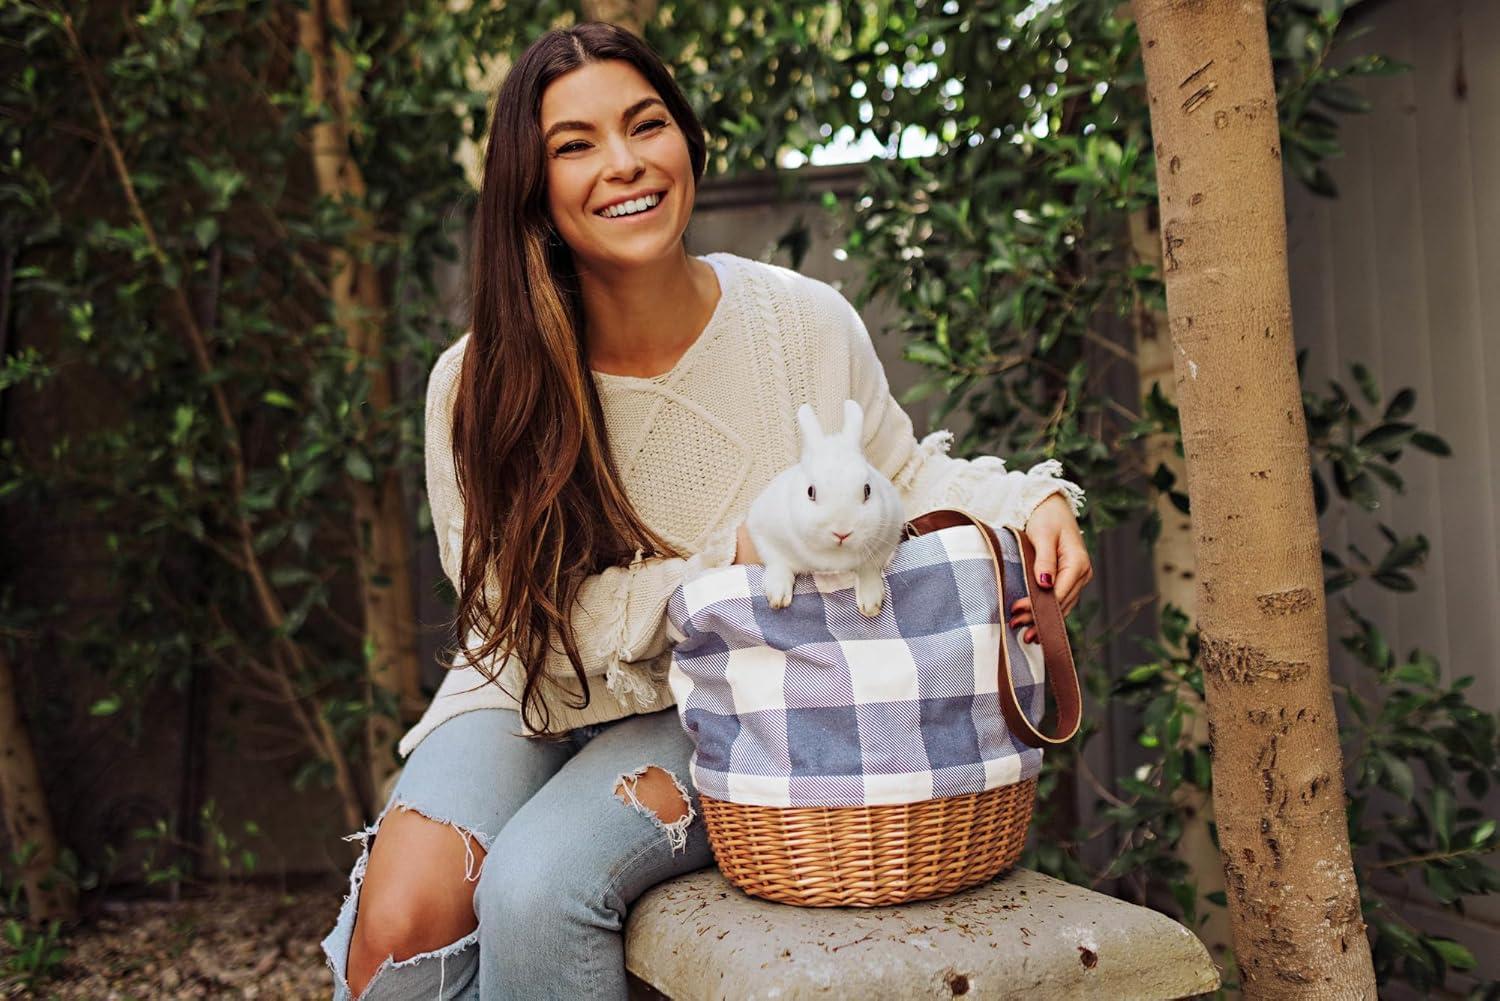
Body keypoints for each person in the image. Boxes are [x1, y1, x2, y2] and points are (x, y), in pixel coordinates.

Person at [320, 20, 1093, 1001]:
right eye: (575, 144)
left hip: (730, 682)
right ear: (532, 187)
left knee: (535, 889)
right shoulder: (475, 383)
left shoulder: (799, 322)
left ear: (687, 140)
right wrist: (713, 568)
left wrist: (1034, 501)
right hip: (529, 684)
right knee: (394, 923)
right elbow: (522, 621)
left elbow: (897, 470)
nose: (624, 162)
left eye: (646, 125)